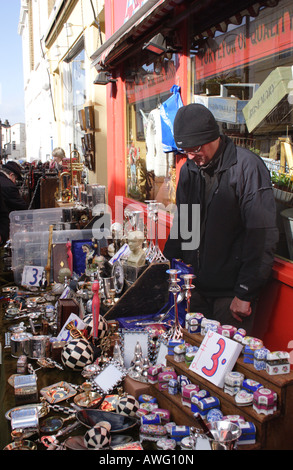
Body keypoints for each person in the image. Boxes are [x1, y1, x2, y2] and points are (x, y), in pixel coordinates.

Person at [163, 103, 279, 334]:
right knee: (186, 357)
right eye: (185, 151)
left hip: (230, 295)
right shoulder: (189, 169)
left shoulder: (248, 167)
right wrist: (165, 268)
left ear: (212, 137)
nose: (191, 156)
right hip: (192, 287)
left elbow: (262, 235)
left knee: (226, 366)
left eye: (196, 149)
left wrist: (245, 292)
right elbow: (185, 224)